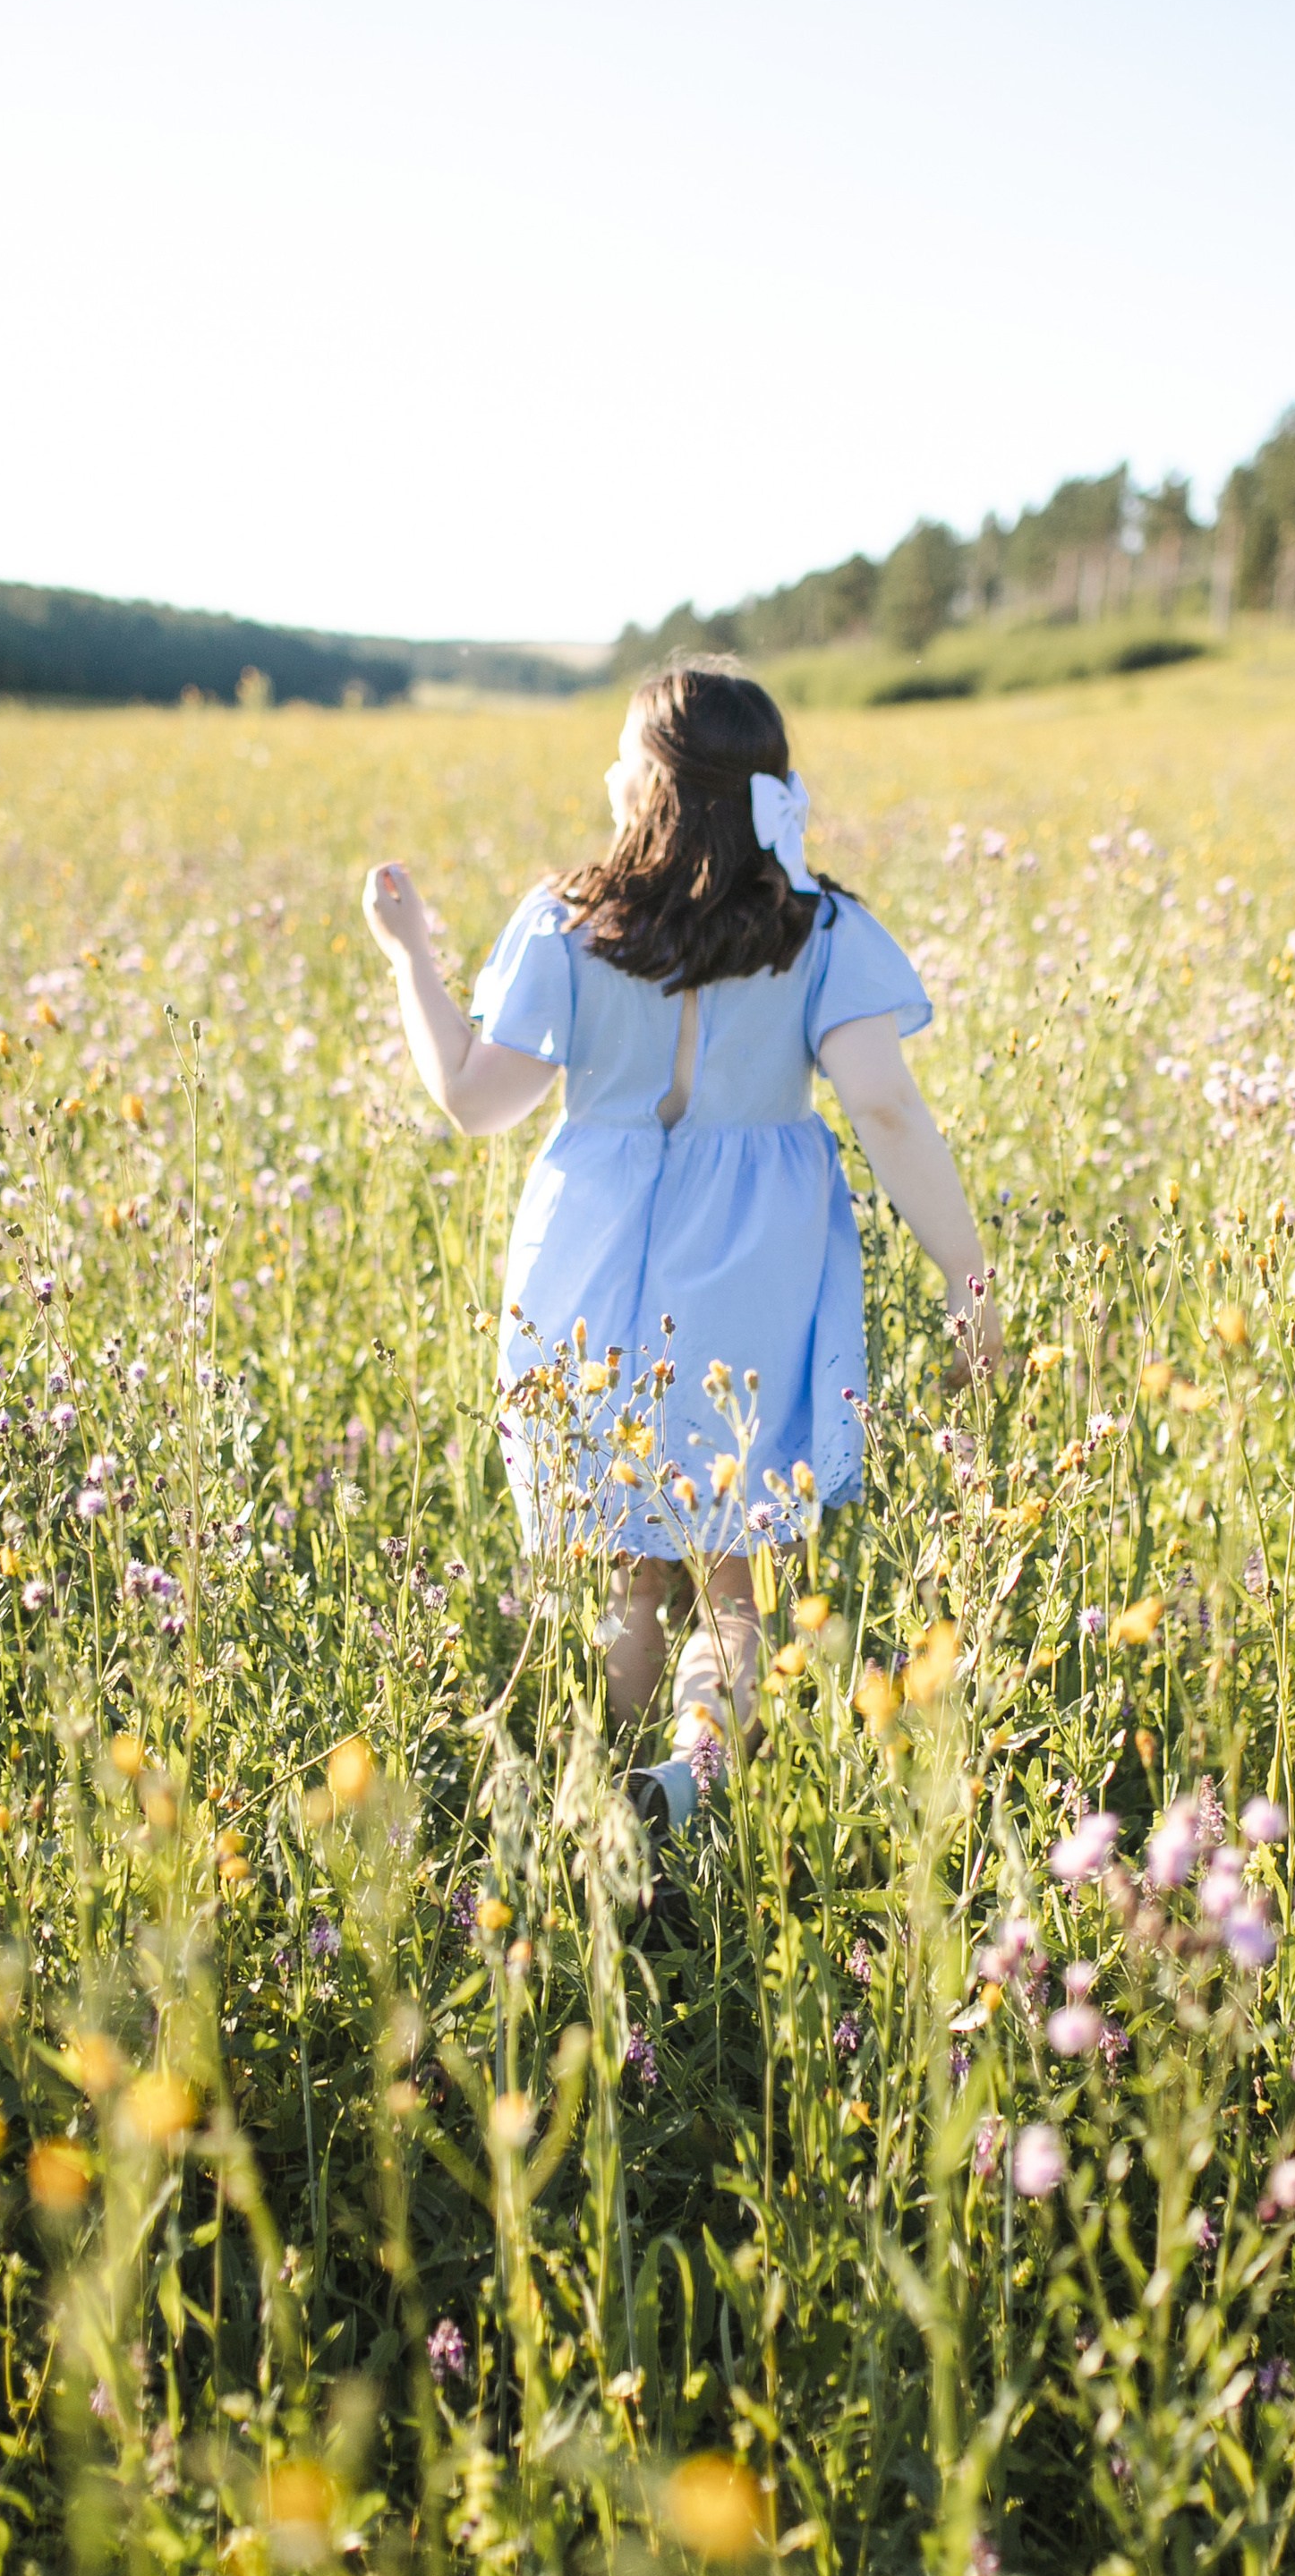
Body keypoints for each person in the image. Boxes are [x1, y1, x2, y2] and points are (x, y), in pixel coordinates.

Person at [362, 662, 997, 1848]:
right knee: (738, 1578)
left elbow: (474, 1100)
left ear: (647, 787)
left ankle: (613, 1805)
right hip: (755, 1262)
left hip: (591, 1258)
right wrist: (972, 1282)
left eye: (619, 755)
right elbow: (888, 1111)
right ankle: (692, 1780)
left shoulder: (569, 921)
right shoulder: (820, 925)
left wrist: (410, 954)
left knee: (629, 1571)